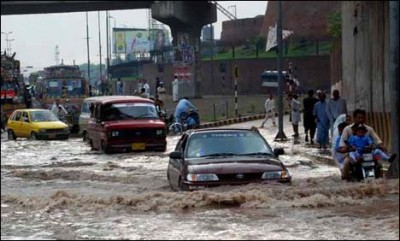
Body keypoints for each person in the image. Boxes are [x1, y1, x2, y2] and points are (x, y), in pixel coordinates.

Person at [338, 109, 396, 179]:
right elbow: (342, 145)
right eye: (358, 118)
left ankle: (380, 177)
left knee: (379, 163)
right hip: (354, 153)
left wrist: (382, 147)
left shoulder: (369, 129)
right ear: (354, 118)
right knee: (347, 162)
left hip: (368, 154)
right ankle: (345, 176)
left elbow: (377, 140)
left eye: (362, 118)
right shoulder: (347, 129)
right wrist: (347, 148)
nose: (360, 120)